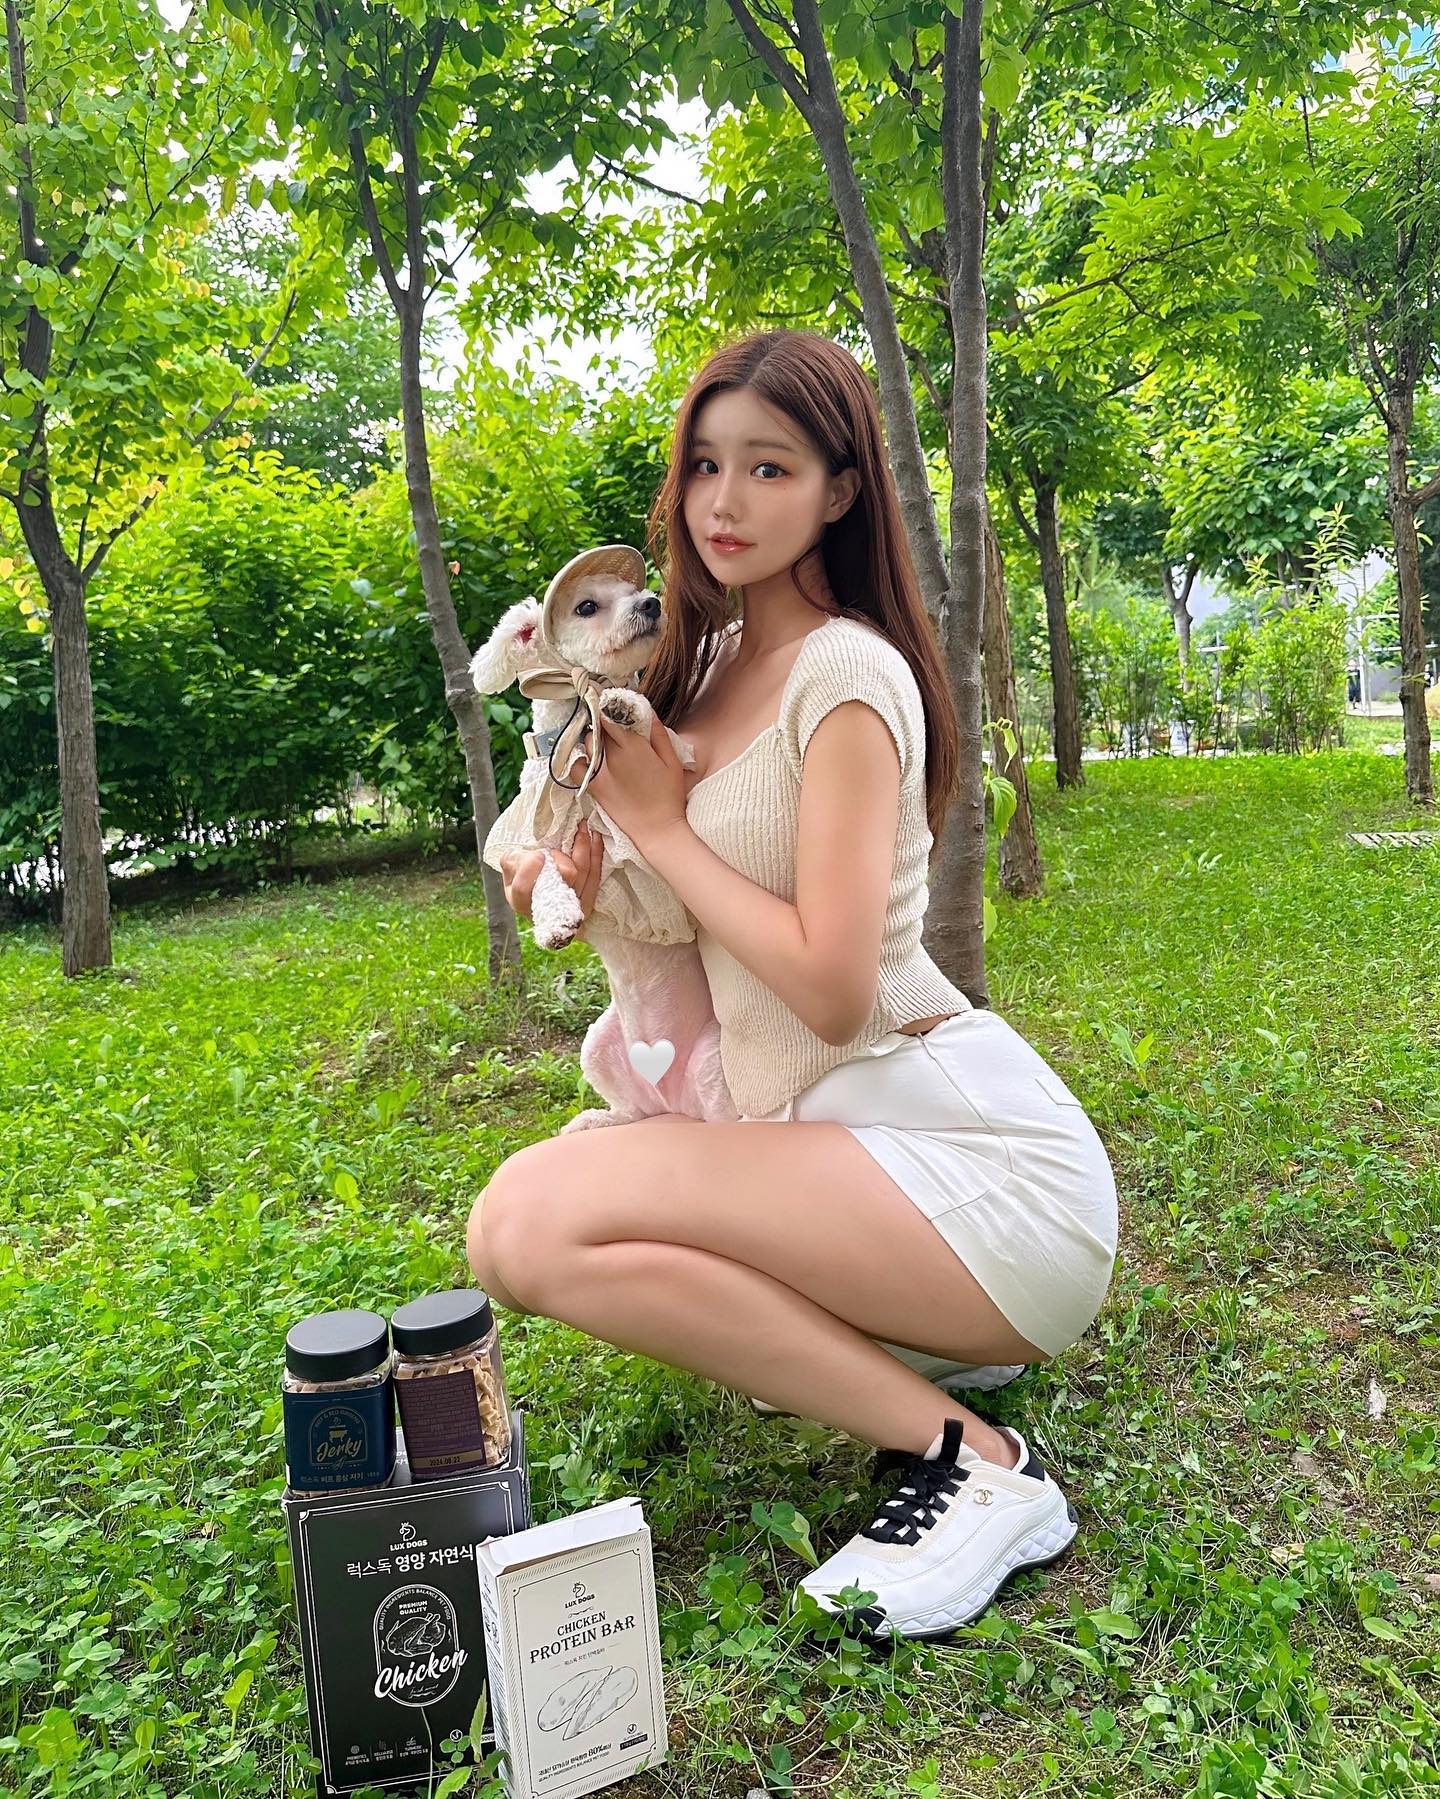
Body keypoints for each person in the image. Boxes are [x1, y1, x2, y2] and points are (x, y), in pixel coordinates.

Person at [468, 329, 1118, 1642]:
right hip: (831, 1142)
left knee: (523, 1222)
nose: (725, 501)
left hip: (977, 1163)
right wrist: (575, 860)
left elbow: (830, 987)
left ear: (840, 490)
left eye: (770, 468)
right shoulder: (699, 675)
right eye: (706, 465)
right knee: (551, 1202)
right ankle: (927, 1353)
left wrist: (660, 829)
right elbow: (670, 903)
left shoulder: (848, 676)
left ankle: (982, 1469)